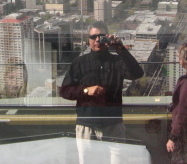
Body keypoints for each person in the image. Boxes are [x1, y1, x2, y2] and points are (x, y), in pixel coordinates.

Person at [60, 21, 144, 163]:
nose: (97, 40)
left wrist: (120, 48)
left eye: (101, 36)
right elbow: (65, 91)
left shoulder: (117, 61)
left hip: (113, 125)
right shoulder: (79, 63)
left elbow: (137, 73)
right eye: (93, 37)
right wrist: (86, 90)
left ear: (108, 38)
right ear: (89, 40)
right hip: (87, 125)